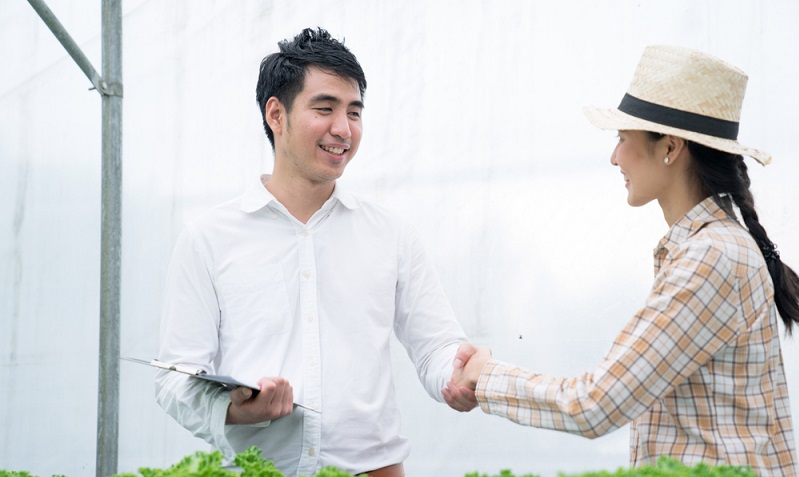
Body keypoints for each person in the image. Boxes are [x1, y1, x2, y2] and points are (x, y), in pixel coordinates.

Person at [448, 45, 799, 476]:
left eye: (622, 138)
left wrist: (485, 376)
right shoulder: (711, 250)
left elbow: (594, 405)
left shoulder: (712, 259)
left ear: (670, 147)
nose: (614, 157)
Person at [155, 27, 476, 477]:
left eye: (354, 112)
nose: (343, 130)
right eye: (324, 109)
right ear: (276, 114)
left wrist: (456, 376)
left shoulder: (392, 235)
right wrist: (236, 409)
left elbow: (436, 347)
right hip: (256, 469)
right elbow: (174, 378)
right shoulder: (208, 238)